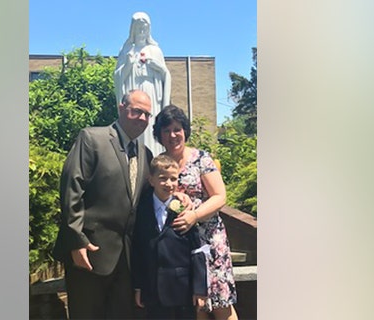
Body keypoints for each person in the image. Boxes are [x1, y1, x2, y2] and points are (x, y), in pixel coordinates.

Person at [52, 90, 191, 319]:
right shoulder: (92, 139)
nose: (143, 119)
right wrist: (76, 241)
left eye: (147, 114)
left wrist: (178, 198)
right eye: (136, 111)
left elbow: (151, 195)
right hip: (89, 253)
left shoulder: (145, 154)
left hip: (126, 261)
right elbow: (72, 187)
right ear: (121, 108)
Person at [153, 105, 239, 320]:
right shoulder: (160, 164)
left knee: (220, 303)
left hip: (209, 242)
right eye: (166, 130)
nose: (172, 135)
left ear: (185, 130)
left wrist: (195, 215)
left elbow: (220, 196)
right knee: (195, 306)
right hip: (181, 247)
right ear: (159, 134)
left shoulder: (201, 159)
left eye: (177, 129)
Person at [132, 155, 208, 319]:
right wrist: (138, 286)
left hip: (182, 290)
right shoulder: (141, 210)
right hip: (152, 290)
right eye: (163, 178)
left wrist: (200, 288)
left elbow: (198, 250)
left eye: (173, 179)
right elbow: (137, 250)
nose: (169, 184)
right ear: (151, 180)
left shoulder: (185, 210)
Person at [114, 11, 171, 156]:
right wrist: (128, 64)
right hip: (133, 90)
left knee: (150, 124)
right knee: (135, 123)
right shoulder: (127, 50)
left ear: (148, 30)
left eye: (144, 28)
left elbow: (166, 75)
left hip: (151, 93)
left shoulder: (155, 50)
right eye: (138, 27)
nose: (141, 31)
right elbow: (118, 77)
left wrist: (158, 68)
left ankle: (153, 159)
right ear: (132, 29)